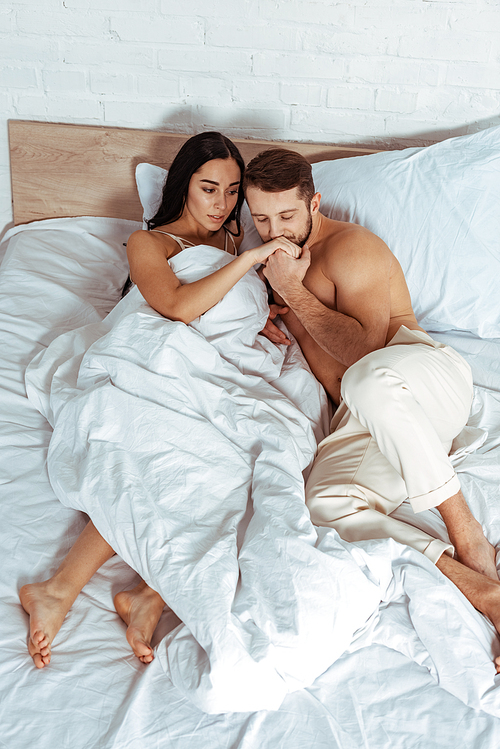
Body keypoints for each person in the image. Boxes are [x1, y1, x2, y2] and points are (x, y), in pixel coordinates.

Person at [19, 132, 301, 670]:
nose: (221, 205)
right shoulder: (149, 244)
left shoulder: (232, 245)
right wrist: (251, 261)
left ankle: (149, 593)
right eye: (208, 188)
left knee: (237, 466)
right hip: (160, 355)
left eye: (232, 192)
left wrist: (259, 314)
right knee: (156, 448)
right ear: (183, 187)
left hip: (223, 368)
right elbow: (174, 307)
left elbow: (226, 308)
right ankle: (57, 590)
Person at [242, 147, 500, 644]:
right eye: (262, 218)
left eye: (287, 216)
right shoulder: (268, 261)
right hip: (366, 417)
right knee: (323, 505)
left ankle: (466, 534)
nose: (274, 231)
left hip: (423, 376)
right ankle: (479, 589)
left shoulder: (351, 248)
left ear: (314, 203)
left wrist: (292, 294)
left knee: (367, 380)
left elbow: (364, 350)